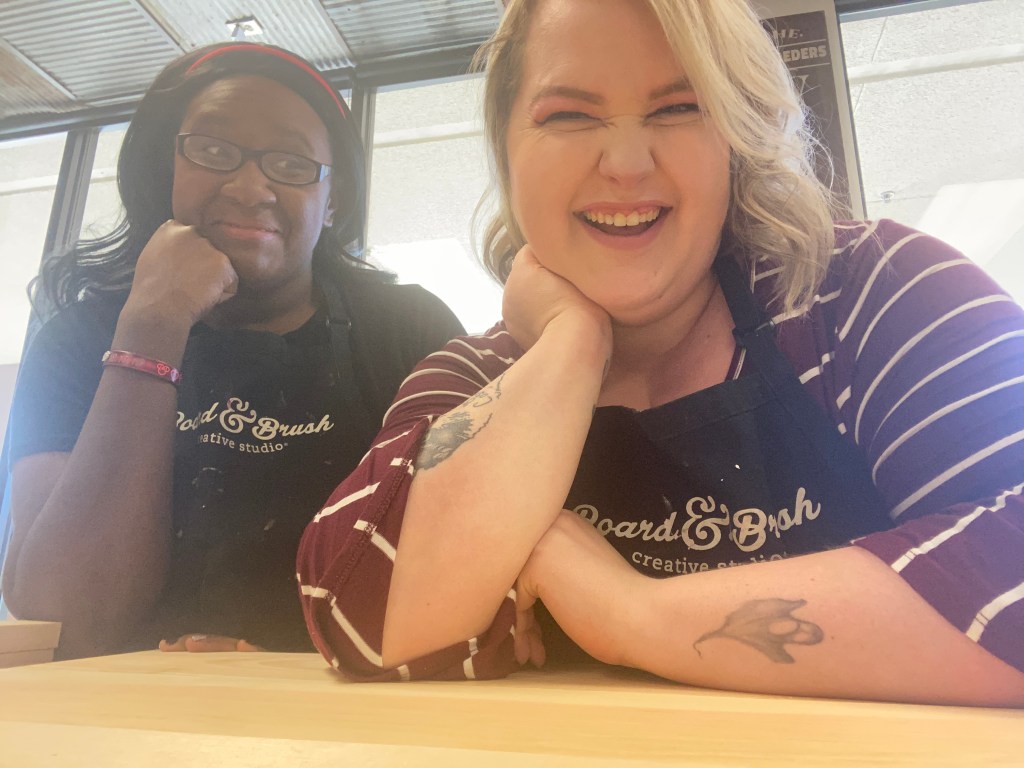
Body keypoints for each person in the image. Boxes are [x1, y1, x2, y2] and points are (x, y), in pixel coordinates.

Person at [296, 0, 1024, 705]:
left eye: (679, 107)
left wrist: (628, 613)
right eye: (569, 115)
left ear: (735, 140)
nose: (625, 162)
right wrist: (573, 342)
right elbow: (358, 617)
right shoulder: (472, 377)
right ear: (507, 154)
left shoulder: (875, 294)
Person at [1, 43, 464, 659]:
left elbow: (463, 569)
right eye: (214, 151)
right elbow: (66, 621)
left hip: (340, 696)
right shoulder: (78, 338)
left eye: (292, 163)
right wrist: (152, 327)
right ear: (166, 172)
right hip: (117, 701)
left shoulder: (408, 332)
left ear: (334, 202)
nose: (249, 188)